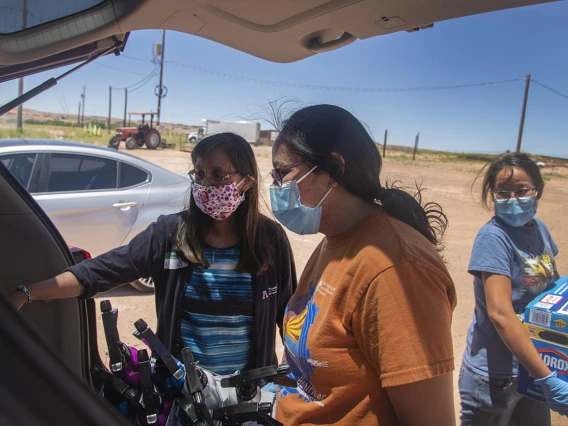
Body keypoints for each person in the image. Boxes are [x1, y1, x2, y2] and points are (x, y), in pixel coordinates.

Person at [8, 132, 297, 375]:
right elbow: (101, 271)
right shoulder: (170, 233)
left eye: (218, 175)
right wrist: (27, 293)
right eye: (199, 174)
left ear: (246, 181)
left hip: (249, 395)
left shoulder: (269, 240)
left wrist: (297, 373)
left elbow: (289, 315)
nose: (206, 186)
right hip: (185, 395)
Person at [269, 104, 457, 426]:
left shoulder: (396, 269)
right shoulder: (337, 238)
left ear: (334, 167)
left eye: (283, 172)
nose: (276, 186)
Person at [460, 152, 568, 425]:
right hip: (497, 376)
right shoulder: (494, 238)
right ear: (493, 195)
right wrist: (547, 379)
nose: (513, 200)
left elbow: (551, 282)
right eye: (503, 193)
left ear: (537, 191)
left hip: (533, 366)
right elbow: (500, 313)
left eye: (522, 191)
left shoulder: (539, 229)